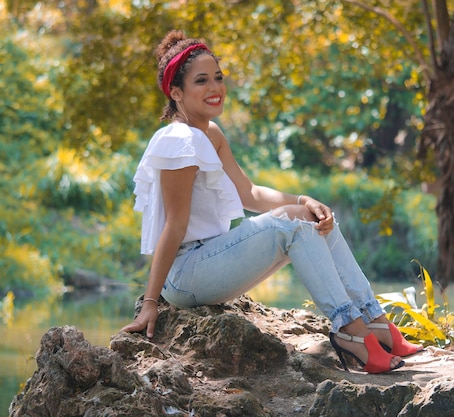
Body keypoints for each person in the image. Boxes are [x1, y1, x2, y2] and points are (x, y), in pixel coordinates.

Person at [121, 30, 421, 374]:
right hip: (188, 274)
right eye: (201, 81)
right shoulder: (178, 140)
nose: (215, 88)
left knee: (310, 217)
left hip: (213, 256)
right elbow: (174, 225)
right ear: (176, 92)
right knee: (290, 226)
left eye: (218, 78)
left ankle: (375, 321)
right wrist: (150, 301)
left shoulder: (211, 133)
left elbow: (249, 194)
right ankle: (351, 331)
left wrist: (303, 199)